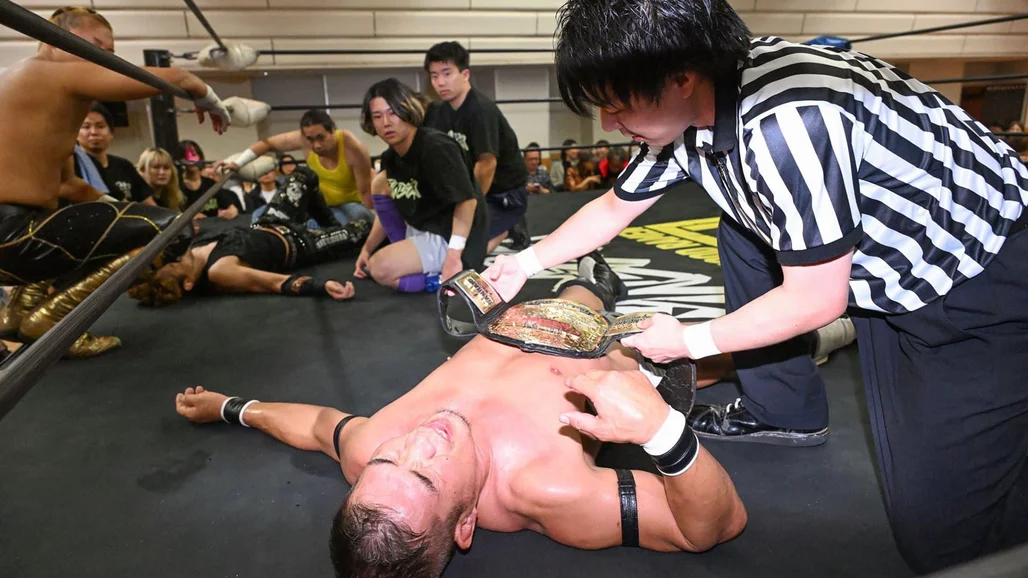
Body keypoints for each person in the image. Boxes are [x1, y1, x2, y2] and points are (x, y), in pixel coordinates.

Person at [484, 0, 1028, 573]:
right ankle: (784, 407)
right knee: (741, 226)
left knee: (947, 539)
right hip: (888, 271)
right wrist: (525, 262)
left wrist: (690, 341)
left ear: (681, 77)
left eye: (617, 105)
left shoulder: (787, 121)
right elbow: (615, 206)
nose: (608, 124)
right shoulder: (700, 99)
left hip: (981, 276)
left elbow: (818, 298)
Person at [174, 253, 748, 577]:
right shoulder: (546, 490)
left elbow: (317, 426)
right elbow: (710, 528)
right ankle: (598, 294)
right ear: (467, 523)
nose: (416, 442)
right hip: (613, 355)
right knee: (750, 355)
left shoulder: (371, 446)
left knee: (575, 293)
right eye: (425, 474)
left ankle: (590, 284)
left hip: (518, 318)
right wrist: (663, 432)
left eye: (387, 463)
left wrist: (231, 408)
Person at [0, 6, 230, 357]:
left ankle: (18, 313)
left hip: (18, 233)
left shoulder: (25, 86)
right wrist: (210, 99)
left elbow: (69, 186)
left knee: (95, 224)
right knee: (173, 229)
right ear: (57, 39)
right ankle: (54, 319)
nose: (105, 59)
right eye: (96, 47)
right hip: (13, 233)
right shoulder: (50, 72)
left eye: (110, 52)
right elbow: (180, 78)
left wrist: (122, 215)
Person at [130, 167, 368, 305]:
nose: (174, 257)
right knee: (364, 227)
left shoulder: (193, 249)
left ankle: (331, 227)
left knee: (303, 175)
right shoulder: (219, 271)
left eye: (167, 259)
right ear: (189, 283)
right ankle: (335, 235)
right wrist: (320, 286)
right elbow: (274, 283)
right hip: (302, 243)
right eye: (173, 265)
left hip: (271, 221)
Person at [353, 78, 488, 292]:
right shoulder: (391, 157)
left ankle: (441, 279)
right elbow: (387, 210)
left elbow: (467, 202)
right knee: (379, 183)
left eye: (393, 112)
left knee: (380, 268)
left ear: (408, 110)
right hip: (423, 229)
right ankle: (420, 265)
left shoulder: (437, 147)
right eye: (377, 116)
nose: (386, 122)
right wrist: (367, 249)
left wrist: (454, 254)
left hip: (453, 236)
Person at [423, 41, 530, 252]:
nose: (440, 82)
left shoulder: (481, 111)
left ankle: (509, 226)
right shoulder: (437, 112)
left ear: (465, 74)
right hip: (467, 187)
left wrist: (468, 212)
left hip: (504, 193)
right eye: (434, 76)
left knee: (462, 249)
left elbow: (487, 164)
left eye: (447, 73)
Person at [219, 109, 374, 226]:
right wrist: (238, 163)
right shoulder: (303, 139)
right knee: (259, 216)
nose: (316, 145)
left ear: (332, 130)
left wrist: (373, 231)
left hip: (348, 205)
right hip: (315, 204)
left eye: (321, 138)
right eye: (311, 139)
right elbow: (267, 144)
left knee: (360, 217)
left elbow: (365, 191)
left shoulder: (352, 147)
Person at [75, 102, 155, 204]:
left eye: (100, 126)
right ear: (76, 133)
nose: (94, 132)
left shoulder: (124, 166)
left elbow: (148, 204)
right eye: (86, 127)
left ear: (111, 133)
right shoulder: (73, 166)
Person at [178, 140, 239, 220]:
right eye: (186, 156)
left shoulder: (210, 184)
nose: (191, 160)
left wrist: (231, 211)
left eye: (194, 154)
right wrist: (188, 217)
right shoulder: (177, 186)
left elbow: (231, 207)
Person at [137, 147, 185, 211]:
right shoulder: (136, 201)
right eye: (156, 167)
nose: (162, 172)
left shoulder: (171, 198)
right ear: (143, 170)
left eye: (166, 168)